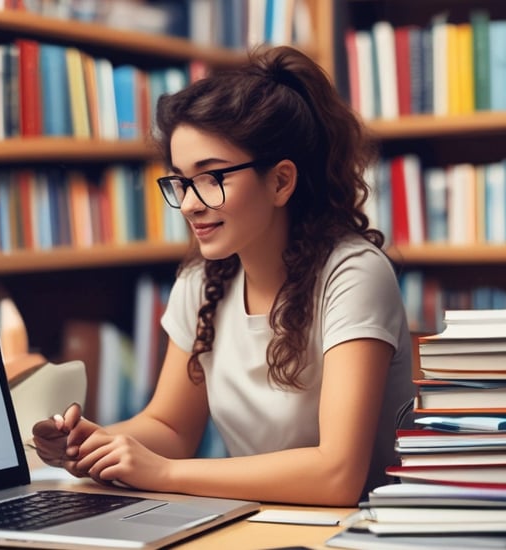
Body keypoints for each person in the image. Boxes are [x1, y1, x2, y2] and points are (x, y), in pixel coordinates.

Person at [32, 45, 415, 506]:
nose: (190, 203)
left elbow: (337, 475)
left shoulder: (353, 275)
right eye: (180, 180)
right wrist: (94, 444)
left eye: (211, 177)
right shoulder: (202, 281)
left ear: (280, 181)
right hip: (257, 525)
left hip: (359, 531)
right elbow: (170, 428)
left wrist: (165, 472)